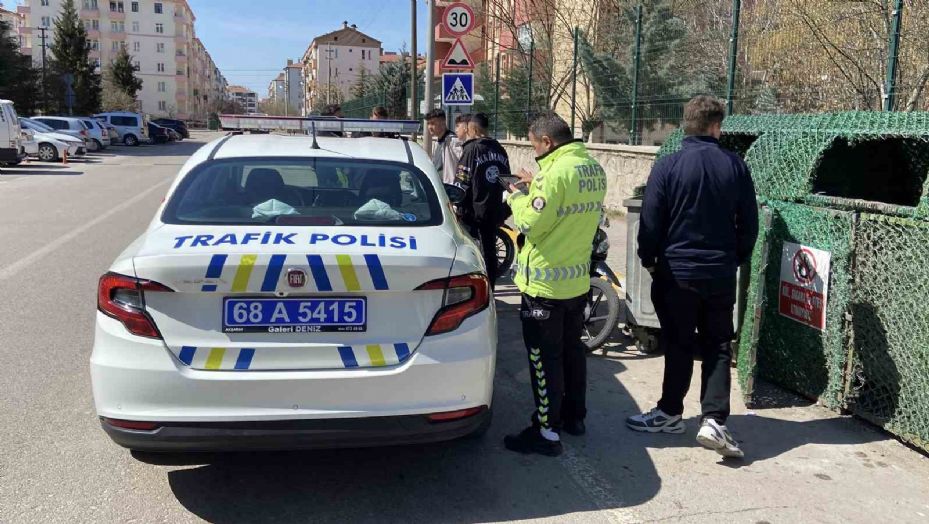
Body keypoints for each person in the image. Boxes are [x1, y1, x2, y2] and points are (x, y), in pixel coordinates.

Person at [626, 95, 758, 459]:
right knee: (717, 345)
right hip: (717, 271)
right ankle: (714, 419)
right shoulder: (736, 166)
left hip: (675, 271)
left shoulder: (667, 166)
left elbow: (650, 221)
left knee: (678, 341)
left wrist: (650, 260)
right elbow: (750, 224)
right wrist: (736, 259)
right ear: (717, 126)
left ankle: (670, 411)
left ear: (686, 124)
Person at [502, 112, 607, 457]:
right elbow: (564, 211)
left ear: (547, 142)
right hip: (576, 283)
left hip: (544, 287)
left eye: (533, 144)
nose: (534, 151)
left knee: (543, 359)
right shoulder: (591, 168)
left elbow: (531, 223)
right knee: (573, 352)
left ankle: (546, 431)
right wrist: (535, 187)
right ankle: (575, 417)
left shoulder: (554, 174)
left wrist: (517, 194)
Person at [454, 113, 510, 286]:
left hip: (472, 213)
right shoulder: (499, 149)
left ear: (474, 129)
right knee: (490, 253)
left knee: (469, 254)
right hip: (493, 210)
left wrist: (456, 205)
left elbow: (463, 181)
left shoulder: (471, 149)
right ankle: (490, 289)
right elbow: (508, 181)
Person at [425, 108, 461, 184]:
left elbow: (464, 165)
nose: (429, 127)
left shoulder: (452, 141)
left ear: (443, 123)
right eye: (428, 123)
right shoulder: (437, 142)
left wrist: (458, 184)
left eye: (433, 123)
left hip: (450, 189)